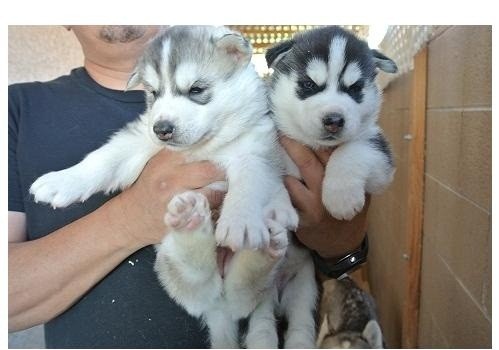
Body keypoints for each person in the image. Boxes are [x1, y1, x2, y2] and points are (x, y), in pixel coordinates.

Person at [8, 25, 369, 348]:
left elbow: (263, 167)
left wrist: (341, 242)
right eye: (153, 93)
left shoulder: (269, 108)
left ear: (237, 58)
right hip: (191, 287)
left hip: (261, 299)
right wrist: (117, 207)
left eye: (196, 89)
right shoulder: (17, 108)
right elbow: (121, 151)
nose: (163, 119)